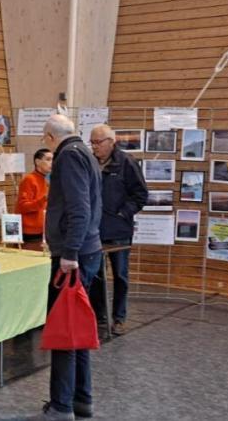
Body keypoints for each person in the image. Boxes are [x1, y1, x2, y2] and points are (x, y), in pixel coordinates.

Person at [41, 114, 102, 421]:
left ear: (51, 138)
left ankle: (61, 406)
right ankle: (81, 400)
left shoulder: (68, 158)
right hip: (84, 251)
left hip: (73, 256)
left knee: (64, 329)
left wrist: (69, 253)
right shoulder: (87, 154)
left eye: (44, 139)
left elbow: (80, 209)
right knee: (75, 328)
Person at [89, 124, 148, 335]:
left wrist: (123, 213)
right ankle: (100, 317)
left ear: (111, 142)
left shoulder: (127, 163)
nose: (94, 147)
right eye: (92, 142)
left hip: (119, 231)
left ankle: (119, 318)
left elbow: (141, 195)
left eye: (98, 142)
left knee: (120, 275)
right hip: (94, 231)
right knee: (96, 276)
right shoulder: (90, 162)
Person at [15, 148, 53, 246]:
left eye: (53, 159)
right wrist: (45, 198)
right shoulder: (29, 180)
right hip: (30, 233)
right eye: (48, 159)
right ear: (37, 161)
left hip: (44, 230)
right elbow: (23, 206)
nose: (52, 163)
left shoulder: (46, 180)